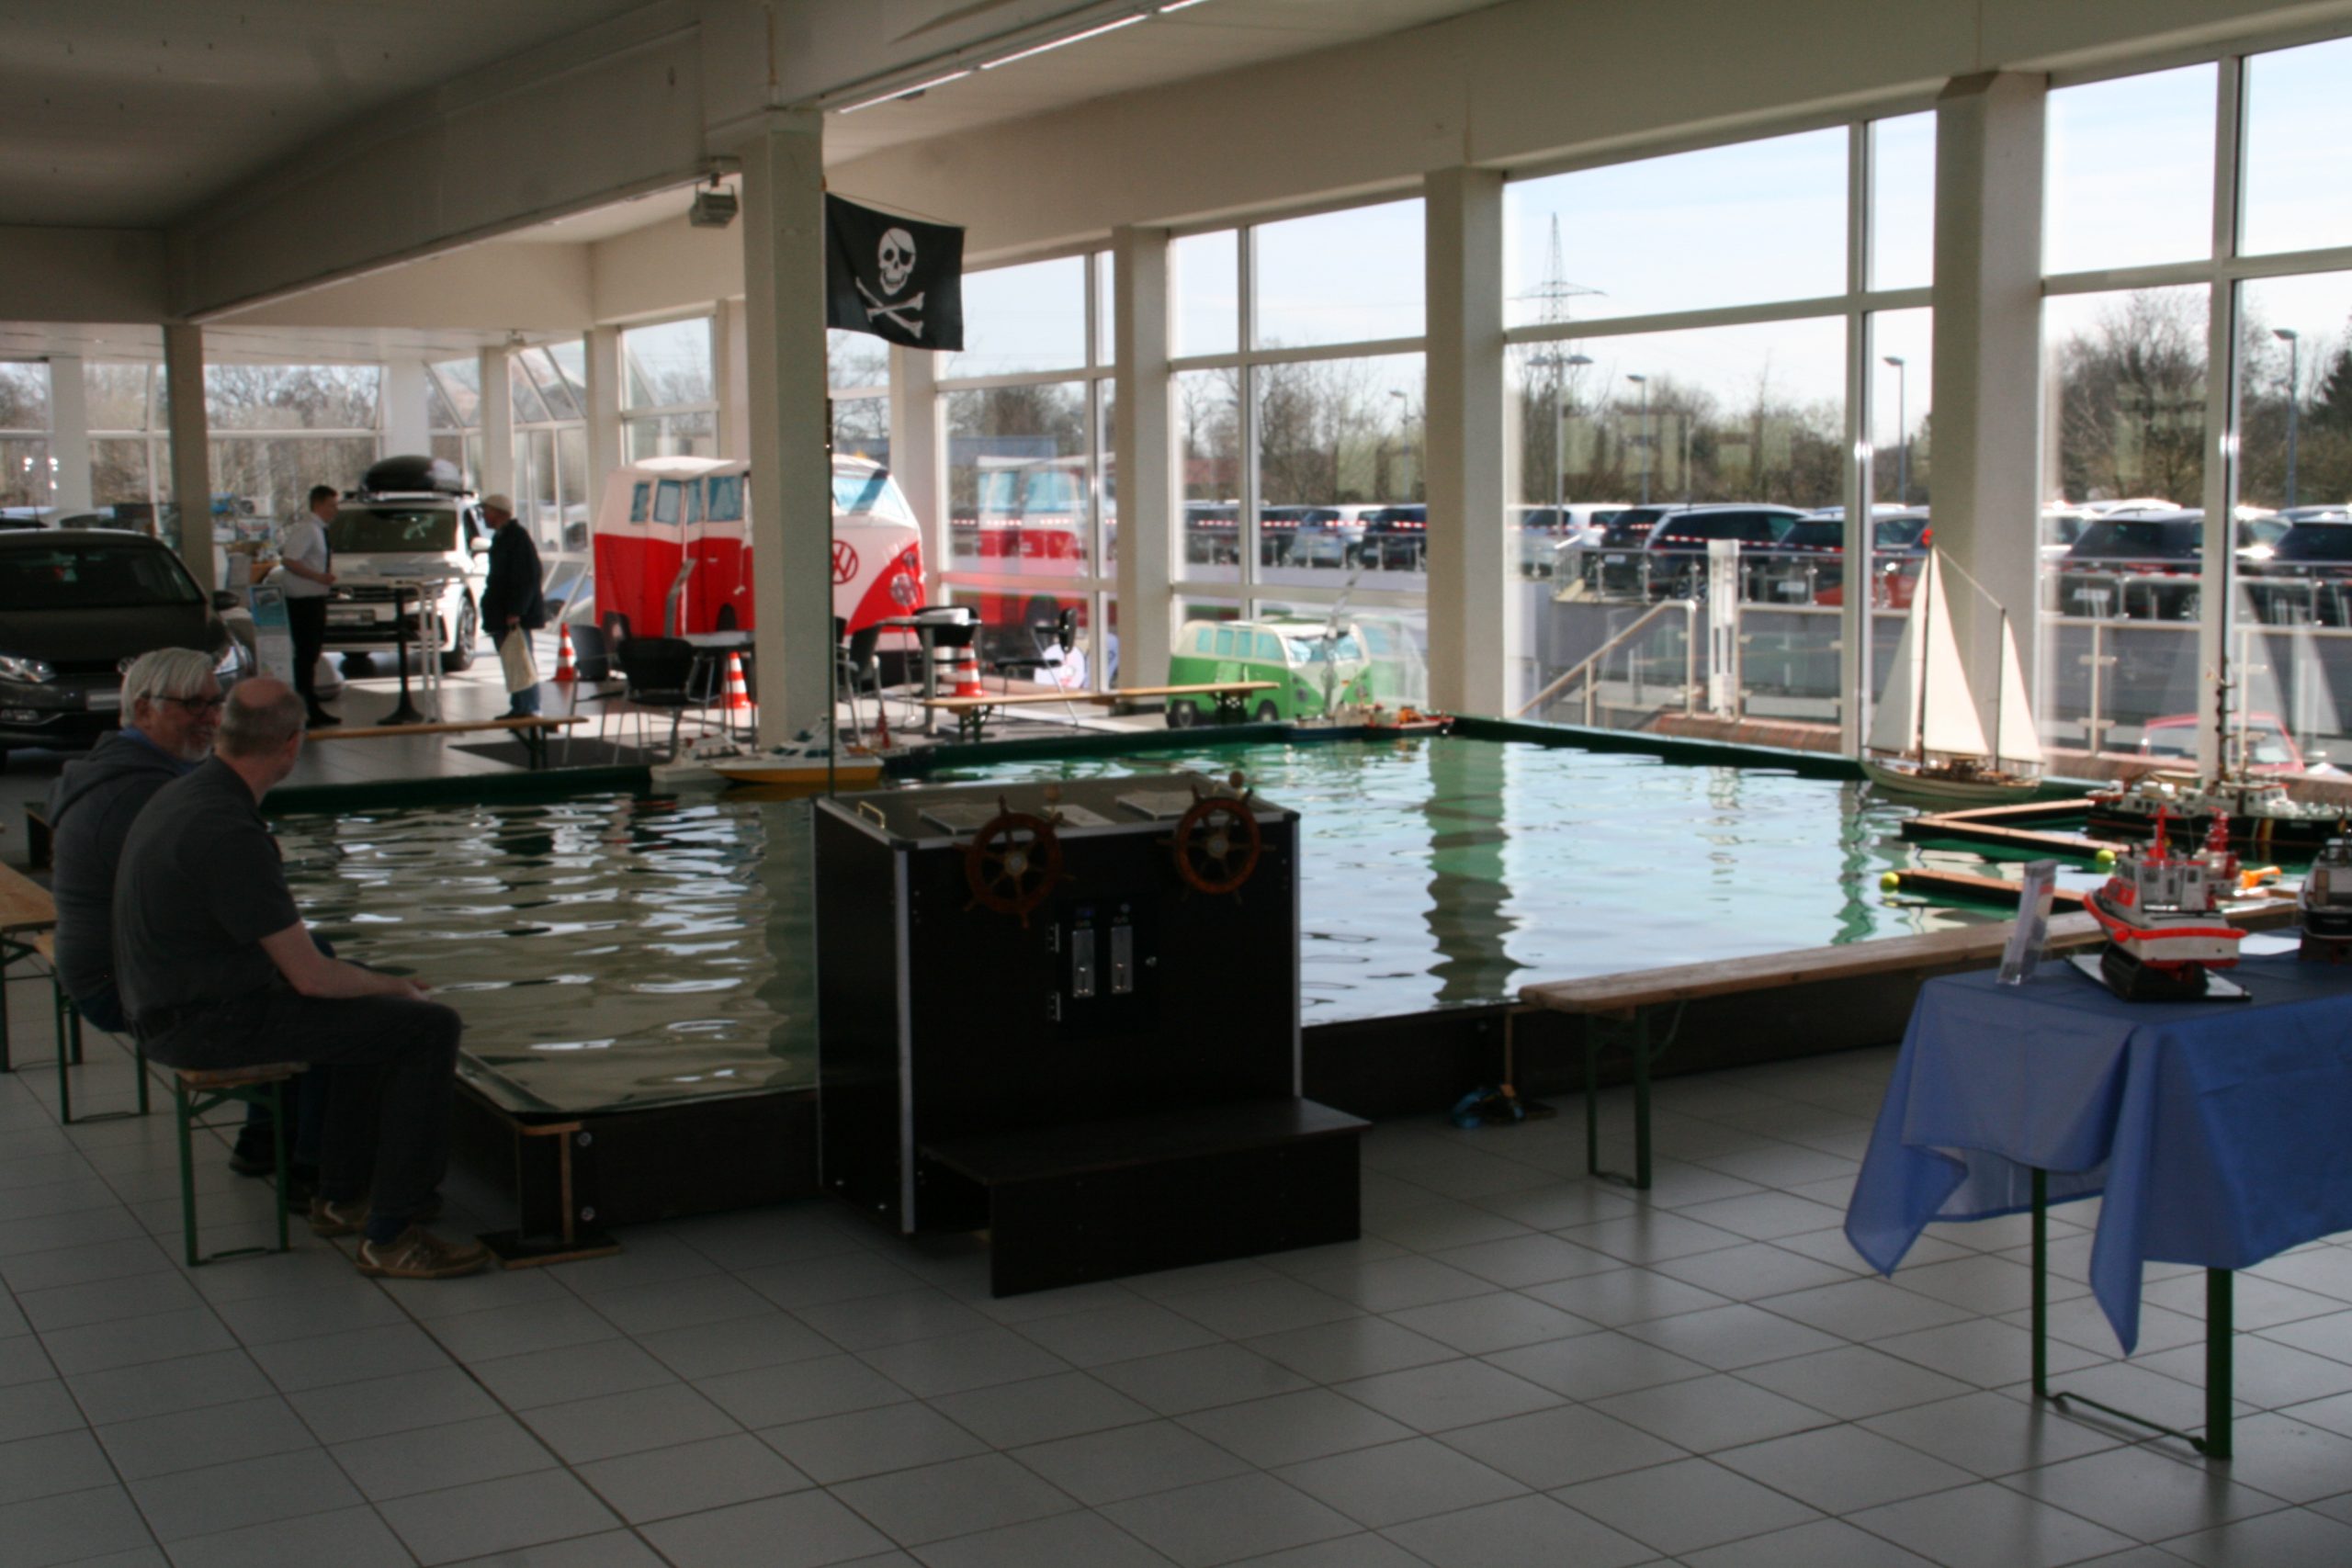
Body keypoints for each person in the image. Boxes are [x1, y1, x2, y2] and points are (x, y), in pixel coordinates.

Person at [114, 679, 488, 1280]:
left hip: (165, 999)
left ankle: (342, 1196)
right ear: (292, 744)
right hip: (198, 1022)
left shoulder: (192, 794)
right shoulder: (226, 830)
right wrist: (397, 985)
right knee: (426, 1025)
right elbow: (311, 979)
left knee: (370, 1016)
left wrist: (371, 987)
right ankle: (391, 1234)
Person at [478, 493, 546, 719]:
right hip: (504, 610)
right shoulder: (504, 537)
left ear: (498, 512)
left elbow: (527, 577)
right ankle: (520, 706)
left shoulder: (516, 538)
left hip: (513, 613)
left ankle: (529, 707)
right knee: (513, 659)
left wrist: (517, 611)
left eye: (486, 511)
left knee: (521, 660)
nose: (484, 515)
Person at [277, 483, 339, 727]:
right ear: (318, 504)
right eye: (331, 505)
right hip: (303, 601)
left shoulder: (319, 530)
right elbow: (289, 560)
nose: (335, 510)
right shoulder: (307, 530)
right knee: (305, 655)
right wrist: (317, 577)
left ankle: (311, 706)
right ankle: (306, 708)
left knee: (310, 654)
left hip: (315, 598)